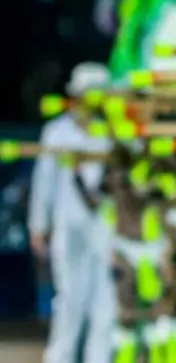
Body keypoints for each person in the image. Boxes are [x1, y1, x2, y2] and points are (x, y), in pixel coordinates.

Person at [27, 62, 117, 363]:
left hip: (106, 224)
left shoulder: (115, 132)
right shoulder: (56, 132)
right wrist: (39, 225)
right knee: (69, 297)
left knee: (105, 298)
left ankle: (99, 358)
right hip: (68, 224)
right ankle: (60, 357)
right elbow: (44, 182)